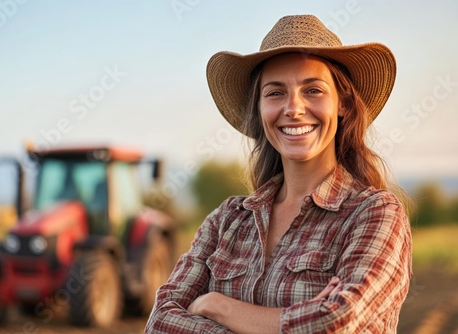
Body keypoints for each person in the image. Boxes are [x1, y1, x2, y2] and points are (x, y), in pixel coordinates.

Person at [145, 14, 412, 333]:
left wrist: (218, 306)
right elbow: (160, 321)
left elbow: (338, 321)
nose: (294, 108)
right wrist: (299, 321)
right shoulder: (226, 222)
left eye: (313, 90)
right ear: (259, 109)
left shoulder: (375, 214)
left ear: (342, 103)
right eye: (275, 92)